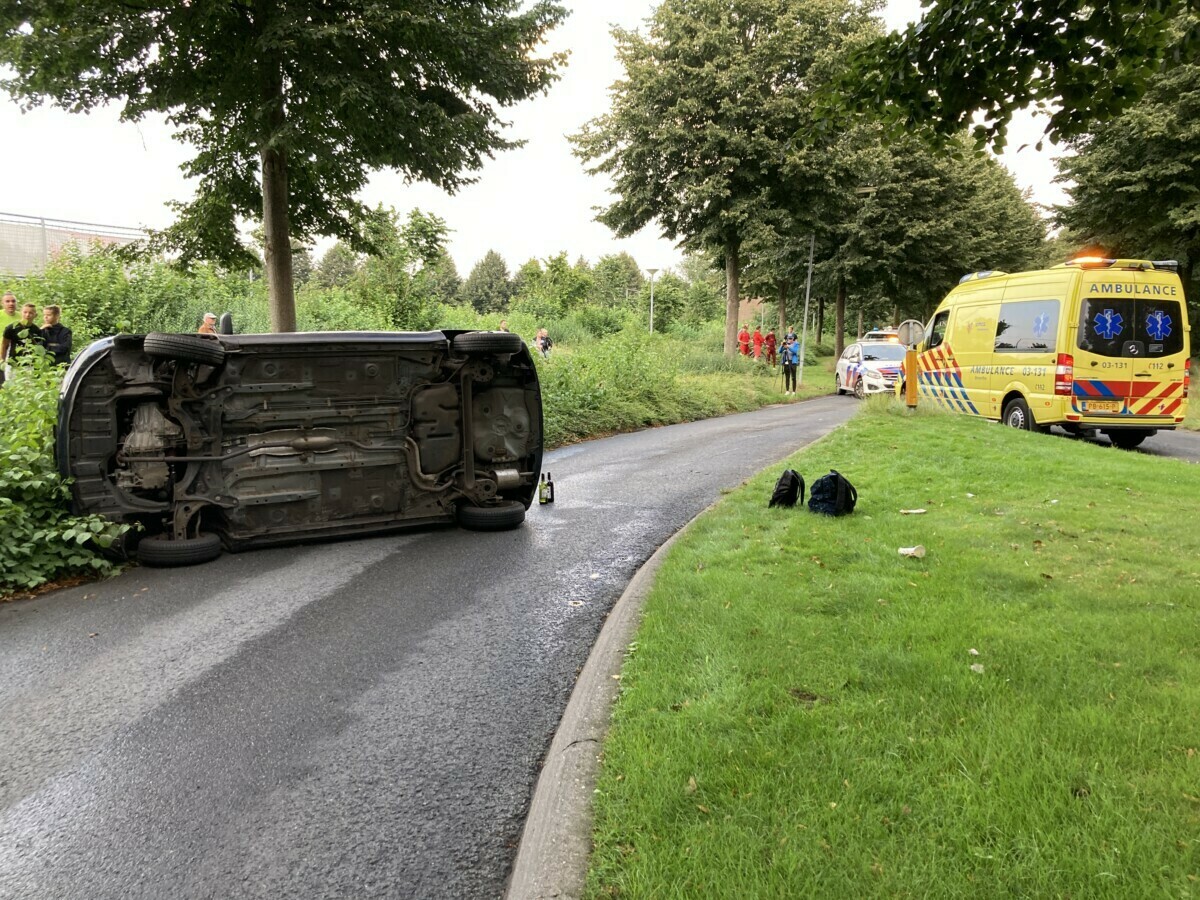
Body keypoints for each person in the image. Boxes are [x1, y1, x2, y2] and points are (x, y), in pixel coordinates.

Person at [2, 303, 45, 379]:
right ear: (21, 313)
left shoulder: (37, 330)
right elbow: (4, 345)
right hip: (13, 363)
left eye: (31, 313)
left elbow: (38, 348)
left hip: (29, 365)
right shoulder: (12, 327)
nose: (27, 315)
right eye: (25, 312)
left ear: (35, 315)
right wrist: (2, 360)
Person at [0, 292, 20, 387]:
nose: (11, 303)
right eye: (7, 301)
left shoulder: (22, 316)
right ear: (2, 303)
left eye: (13, 301)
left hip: (14, 355)